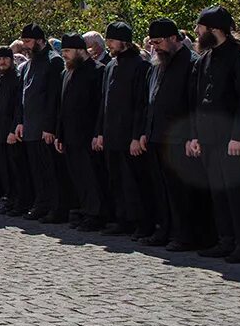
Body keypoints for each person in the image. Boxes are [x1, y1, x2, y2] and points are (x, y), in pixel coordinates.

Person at [187, 6, 240, 263]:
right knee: (219, 193)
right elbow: (198, 100)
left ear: (214, 29)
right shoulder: (206, 58)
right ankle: (226, 239)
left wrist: (238, 136)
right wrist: (196, 135)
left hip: (233, 139)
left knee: (239, 194)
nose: (197, 31)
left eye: (200, 27)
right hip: (209, 137)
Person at [145, 20, 205, 251]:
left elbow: (193, 104)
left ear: (173, 38)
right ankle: (167, 229)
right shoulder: (158, 63)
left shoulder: (191, 63)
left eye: (158, 42)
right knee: (162, 189)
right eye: (152, 43)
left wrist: (192, 135)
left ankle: (186, 234)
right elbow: (150, 100)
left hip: (180, 138)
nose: (155, 47)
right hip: (157, 135)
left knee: (182, 192)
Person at [94, 22, 150, 237]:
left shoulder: (140, 65)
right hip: (111, 134)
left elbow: (140, 104)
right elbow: (104, 102)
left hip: (129, 136)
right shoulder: (110, 66)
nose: (109, 44)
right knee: (116, 180)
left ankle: (141, 223)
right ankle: (122, 219)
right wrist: (99, 132)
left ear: (124, 41)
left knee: (133, 182)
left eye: (112, 40)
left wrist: (136, 136)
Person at [19, 24, 67, 221]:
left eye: (28, 42)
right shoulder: (31, 62)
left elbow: (53, 98)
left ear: (40, 40)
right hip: (30, 125)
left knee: (51, 172)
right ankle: (41, 204)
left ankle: (57, 208)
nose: (25, 46)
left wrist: (49, 127)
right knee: (36, 171)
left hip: (45, 128)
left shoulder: (53, 61)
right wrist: (20, 122)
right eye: (23, 42)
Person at [57, 34, 104, 228]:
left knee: (92, 177)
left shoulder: (97, 71)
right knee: (78, 177)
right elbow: (62, 106)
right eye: (63, 52)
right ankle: (84, 210)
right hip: (70, 135)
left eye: (68, 51)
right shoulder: (67, 72)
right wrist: (60, 133)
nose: (65, 56)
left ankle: (97, 214)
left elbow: (100, 106)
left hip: (88, 135)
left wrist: (97, 133)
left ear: (80, 50)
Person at [0, 47, 27, 215]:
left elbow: (19, 107)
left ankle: (21, 202)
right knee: (4, 170)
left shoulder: (17, 79)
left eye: (5, 58)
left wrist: (13, 130)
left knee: (16, 170)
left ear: (11, 60)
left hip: (11, 134)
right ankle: (10, 199)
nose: (2, 62)